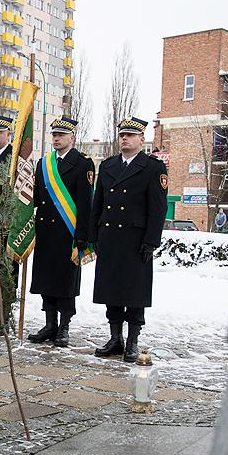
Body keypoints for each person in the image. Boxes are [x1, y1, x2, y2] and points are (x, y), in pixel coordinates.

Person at [89, 116, 168, 362]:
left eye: (130, 135)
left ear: (141, 139)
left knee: (134, 292)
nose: (125, 138)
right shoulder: (109, 165)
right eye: (122, 135)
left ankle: (132, 340)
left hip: (136, 240)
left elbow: (158, 208)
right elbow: (98, 203)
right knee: (111, 289)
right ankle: (115, 338)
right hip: (110, 236)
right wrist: (93, 235)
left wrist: (151, 240)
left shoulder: (153, 167)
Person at [26, 117, 95, 348]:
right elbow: (36, 197)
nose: (56, 139)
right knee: (46, 279)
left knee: (65, 283)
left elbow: (86, 203)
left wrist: (83, 235)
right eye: (54, 135)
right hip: (46, 232)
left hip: (69, 232)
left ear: (72, 138)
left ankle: (64, 326)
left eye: (61, 135)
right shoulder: (43, 164)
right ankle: (49, 324)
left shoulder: (83, 163)